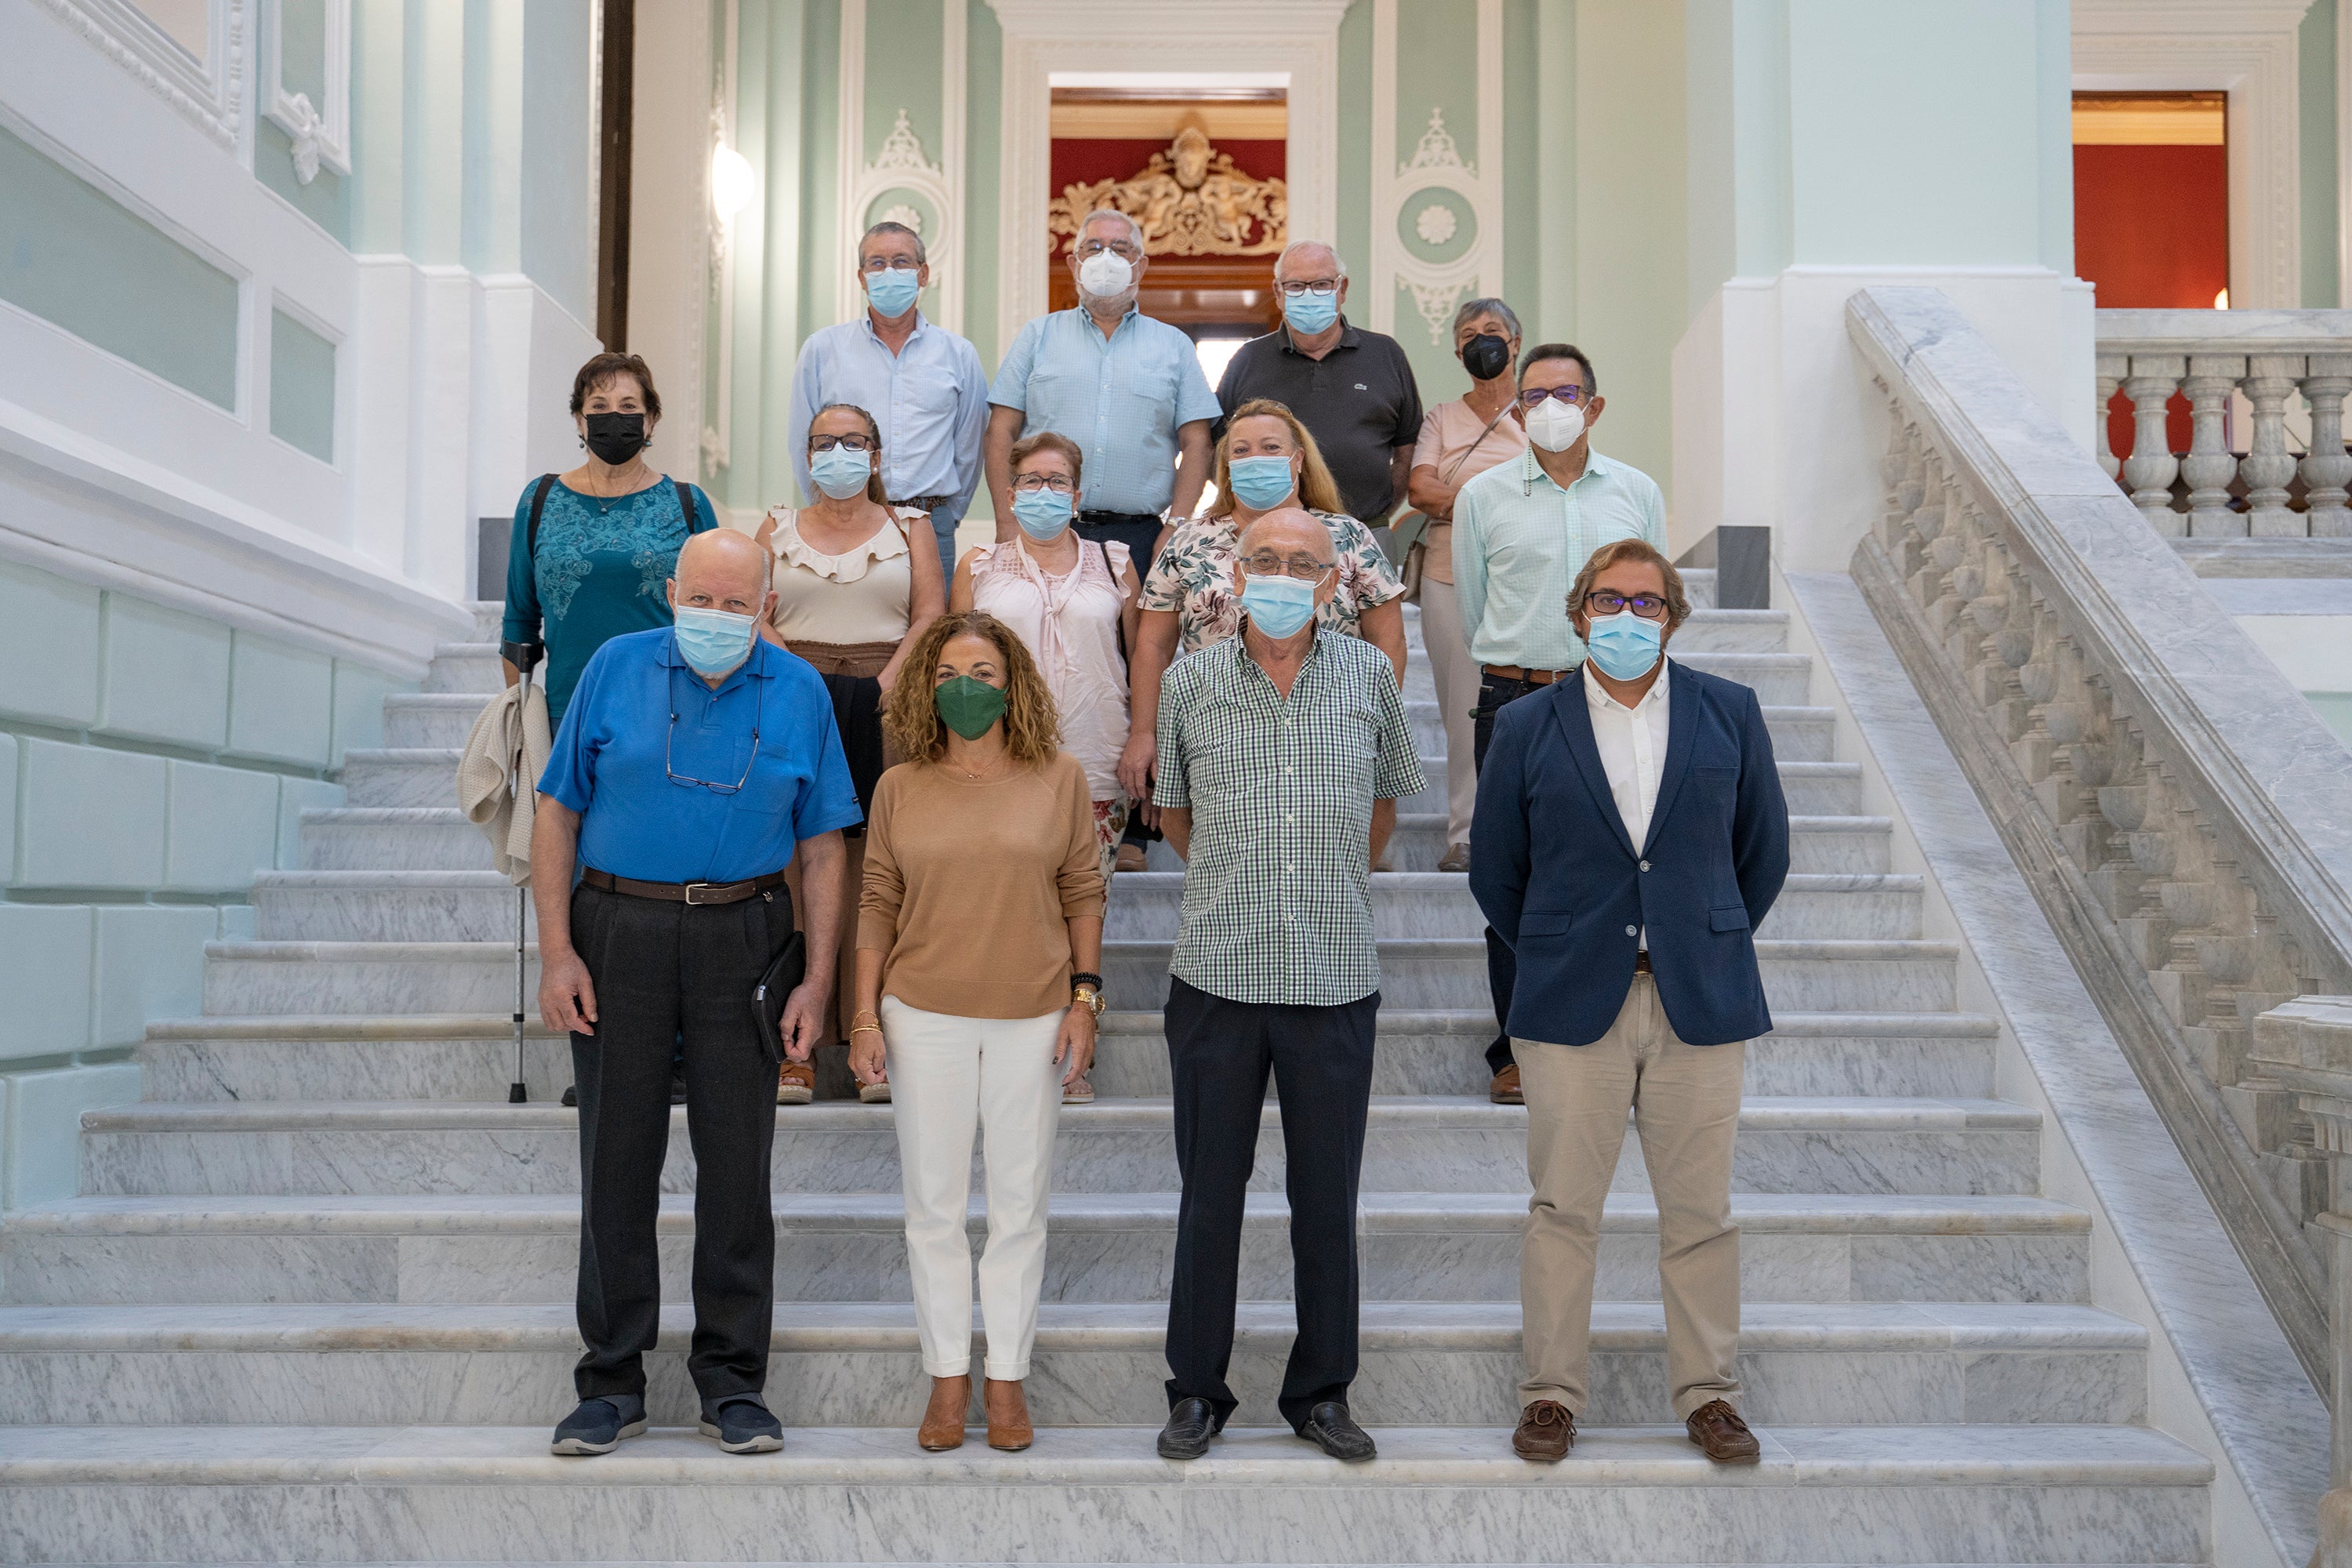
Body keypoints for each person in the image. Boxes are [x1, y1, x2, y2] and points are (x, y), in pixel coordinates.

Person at [532, 528, 861, 1458]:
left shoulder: (797, 690)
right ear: (672, 591)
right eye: (700, 599)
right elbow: (557, 810)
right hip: (618, 929)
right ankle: (611, 1380)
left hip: (743, 937)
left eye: (737, 604)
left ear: (768, 607)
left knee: (737, 1166)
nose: (716, 618)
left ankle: (732, 1381)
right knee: (616, 1158)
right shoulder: (613, 665)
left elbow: (825, 843)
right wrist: (558, 951)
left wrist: (820, 979)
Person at [1467, 539, 1788, 1469]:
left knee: (1701, 1213)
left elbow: (1760, 851)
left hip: (1699, 997)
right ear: (1578, 615)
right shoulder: (1530, 723)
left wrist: (1701, 931)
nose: (1627, 617)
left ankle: (1712, 1396)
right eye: (1608, 600)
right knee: (1563, 1205)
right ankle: (1552, 1395)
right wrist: (1564, 945)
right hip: (1572, 1007)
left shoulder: (1730, 711)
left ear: (1673, 618)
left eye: (1647, 603)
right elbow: (1497, 870)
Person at [1150, 507, 1425, 1466]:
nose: (1278, 572)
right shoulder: (1187, 682)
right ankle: (1196, 1390)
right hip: (1217, 975)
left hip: (1334, 976)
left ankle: (1320, 1392)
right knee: (1207, 1194)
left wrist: (1322, 877)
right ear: (1234, 568)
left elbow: (1385, 807)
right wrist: (1241, 873)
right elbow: (1175, 814)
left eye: (1299, 561)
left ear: (1332, 578)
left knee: (1326, 1198)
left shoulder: (1369, 678)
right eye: (1261, 556)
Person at [849, 612, 1105, 1456]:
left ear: (1014, 683)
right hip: (922, 1011)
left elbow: (1083, 890)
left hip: (1034, 1011)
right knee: (933, 1206)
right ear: (927, 684)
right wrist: (863, 1014)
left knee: (1019, 1209)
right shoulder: (899, 786)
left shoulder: (1059, 777)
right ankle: (946, 1377)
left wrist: (1084, 1001)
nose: (968, 684)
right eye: (952, 669)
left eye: (985, 670)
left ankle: (1008, 1381)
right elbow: (877, 900)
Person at [1454, 343, 1665, 1106]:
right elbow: (1476, 604)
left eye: (1565, 391)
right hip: (1515, 702)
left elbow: (1652, 600)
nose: (1549, 407)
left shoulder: (1637, 493)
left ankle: (1614, 1042)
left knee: (1617, 874)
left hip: (1614, 697)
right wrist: (1525, 670)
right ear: (1515, 410)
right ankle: (1517, 1047)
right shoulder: (1482, 496)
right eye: (1533, 395)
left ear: (1594, 405)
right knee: (1517, 878)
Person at [730, 402, 946, 1105]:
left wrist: (888, 682)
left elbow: (930, 616)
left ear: (876, 455)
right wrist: (800, 681)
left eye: (854, 442)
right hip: (790, 696)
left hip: (889, 700)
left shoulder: (911, 528)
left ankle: (868, 1038)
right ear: (808, 454)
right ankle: (796, 1043)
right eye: (825, 443)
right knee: (795, 862)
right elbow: (755, 615)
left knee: (878, 869)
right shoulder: (776, 527)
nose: (839, 454)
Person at [1118, 401, 1407, 869]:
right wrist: (1145, 731)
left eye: (1271, 448)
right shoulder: (1190, 540)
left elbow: (1389, 640)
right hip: (1217, 728)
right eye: (1242, 450)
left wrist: (1373, 720)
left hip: (1328, 725)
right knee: (1224, 867)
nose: (1256, 458)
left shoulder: (1347, 536)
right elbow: (1152, 644)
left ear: (1297, 460)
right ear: (1227, 465)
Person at [952, 431, 1139, 1106]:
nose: (1043, 492)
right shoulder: (978, 567)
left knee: (1082, 908)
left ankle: (1073, 1052)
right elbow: (954, 670)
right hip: (1000, 760)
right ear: (1009, 492)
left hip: (1095, 754)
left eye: (1057, 481)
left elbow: (1140, 656)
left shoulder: (1115, 563)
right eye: (1030, 481)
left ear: (1078, 495)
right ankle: (1005, 1045)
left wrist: (1142, 736)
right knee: (1011, 908)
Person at [983, 207, 1218, 573]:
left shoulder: (1174, 345)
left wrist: (1177, 526)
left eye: (1120, 249)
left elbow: (1199, 444)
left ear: (1140, 266)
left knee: (1138, 634)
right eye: (1093, 248)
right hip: (1044, 529)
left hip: (1139, 536)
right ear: (1074, 264)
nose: (1106, 259)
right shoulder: (1036, 336)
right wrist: (1005, 520)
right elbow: (1001, 430)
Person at [500, 351, 720, 727]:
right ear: (579, 420)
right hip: (567, 713)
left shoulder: (688, 503)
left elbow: (715, 616)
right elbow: (519, 621)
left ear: (650, 421)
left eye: (629, 405)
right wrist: (521, 718)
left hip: (668, 711)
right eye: (599, 405)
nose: (613, 416)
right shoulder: (540, 499)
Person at [789, 221, 989, 579]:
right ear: (862, 277)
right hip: (845, 516)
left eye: (901, 261)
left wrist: (946, 514)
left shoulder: (959, 354)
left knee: (930, 631)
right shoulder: (822, 349)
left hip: (931, 522)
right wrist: (827, 509)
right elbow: (802, 441)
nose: (889, 272)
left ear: (923, 273)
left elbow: (970, 449)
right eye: (877, 263)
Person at [1404, 299, 1528, 874]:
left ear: (1517, 343)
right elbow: (1422, 491)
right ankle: (1467, 833)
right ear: (1457, 351)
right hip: (1449, 575)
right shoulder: (1442, 418)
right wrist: (1500, 503)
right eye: (1469, 334)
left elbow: (1559, 481)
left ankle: (1529, 829)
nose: (1482, 341)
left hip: (1529, 578)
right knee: (1466, 708)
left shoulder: (1540, 415)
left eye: (1493, 332)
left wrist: (1467, 503)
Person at [1212, 241, 1422, 528]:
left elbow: (1408, 448)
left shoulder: (1385, 354)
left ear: (1342, 288)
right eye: (1296, 286)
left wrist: (1381, 511)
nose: (1309, 295)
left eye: (1322, 284)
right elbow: (1217, 447)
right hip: (1268, 532)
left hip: (1368, 527)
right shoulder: (1248, 359)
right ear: (1278, 293)